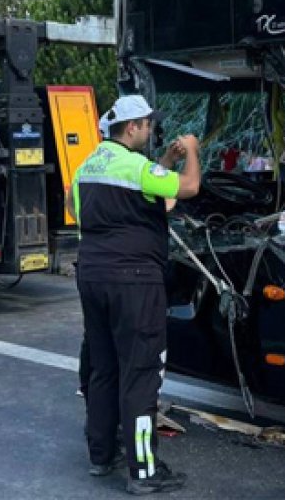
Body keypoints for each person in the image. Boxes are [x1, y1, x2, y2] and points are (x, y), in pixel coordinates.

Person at [69, 95, 202, 494]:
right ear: (132, 128)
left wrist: (162, 160)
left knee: (104, 368)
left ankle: (101, 455)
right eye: (147, 124)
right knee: (141, 375)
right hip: (134, 281)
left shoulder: (88, 166)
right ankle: (143, 471)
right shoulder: (133, 167)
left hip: (91, 275)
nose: (150, 128)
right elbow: (189, 186)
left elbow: (87, 206)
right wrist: (192, 151)